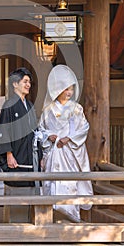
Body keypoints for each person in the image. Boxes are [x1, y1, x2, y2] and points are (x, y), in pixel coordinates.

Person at [38, 64, 93, 222]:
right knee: (52, 185)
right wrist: (49, 136)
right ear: (57, 89)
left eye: (71, 89)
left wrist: (69, 138)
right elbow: (40, 129)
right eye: (66, 89)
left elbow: (84, 128)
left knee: (70, 184)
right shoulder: (48, 110)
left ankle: (72, 218)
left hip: (69, 152)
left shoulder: (77, 109)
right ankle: (50, 220)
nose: (69, 92)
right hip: (55, 153)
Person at [0, 67, 42, 223]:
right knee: (17, 186)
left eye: (29, 82)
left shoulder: (28, 105)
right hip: (16, 154)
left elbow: (36, 131)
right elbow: (4, 130)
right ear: (15, 84)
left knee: (32, 186)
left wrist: (40, 154)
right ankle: (15, 225)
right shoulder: (9, 105)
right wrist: (8, 154)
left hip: (30, 154)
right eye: (25, 81)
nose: (28, 84)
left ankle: (30, 224)